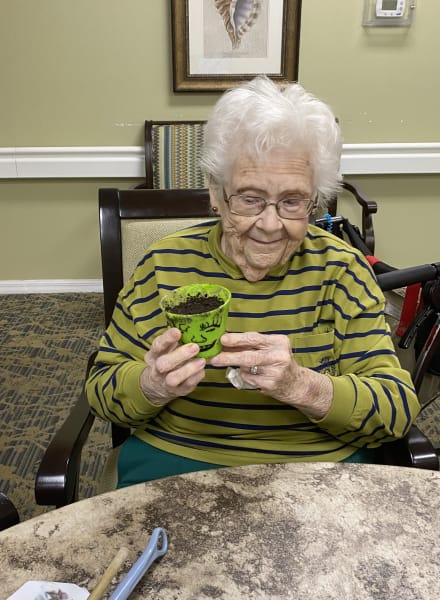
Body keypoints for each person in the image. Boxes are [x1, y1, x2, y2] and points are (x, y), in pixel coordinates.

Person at [86, 76, 419, 488]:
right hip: (176, 458)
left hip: (318, 470)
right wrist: (151, 384)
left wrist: (303, 386)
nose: (269, 224)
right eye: (249, 198)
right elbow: (102, 390)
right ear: (215, 192)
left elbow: (395, 409)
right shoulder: (163, 264)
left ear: (314, 201)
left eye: (293, 201)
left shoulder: (342, 270)